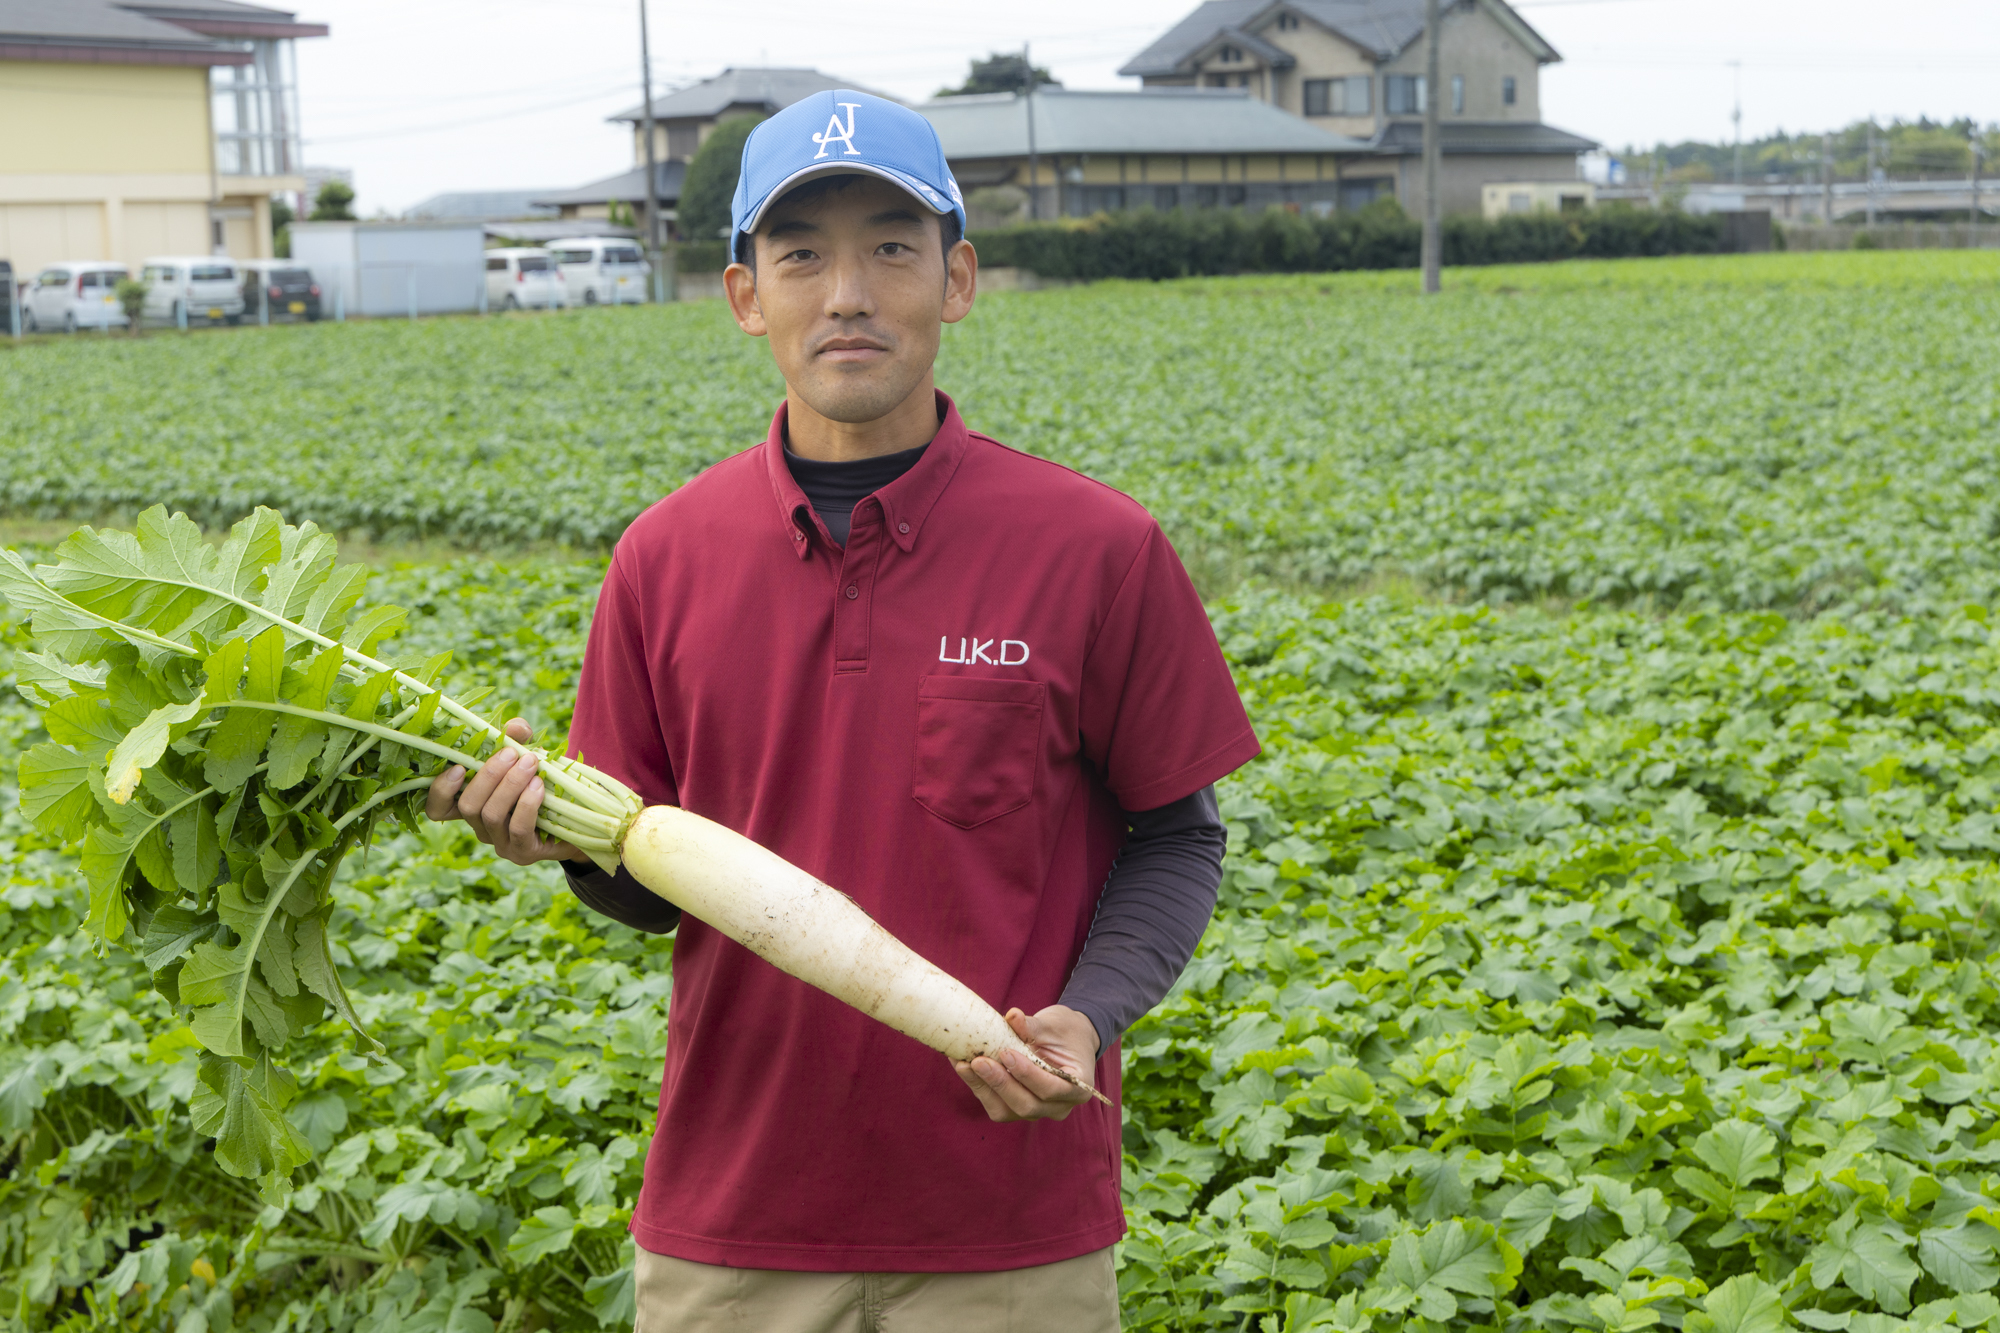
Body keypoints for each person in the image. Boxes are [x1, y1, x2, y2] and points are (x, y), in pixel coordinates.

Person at [425, 90, 1258, 1332]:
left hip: (1008, 1231)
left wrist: (1086, 1018)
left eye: (890, 246)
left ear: (957, 278)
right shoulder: (664, 557)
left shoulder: (1093, 547)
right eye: (800, 252)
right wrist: (559, 842)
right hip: (732, 1230)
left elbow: (1178, 832)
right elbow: (649, 884)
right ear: (745, 295)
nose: (847, 292)